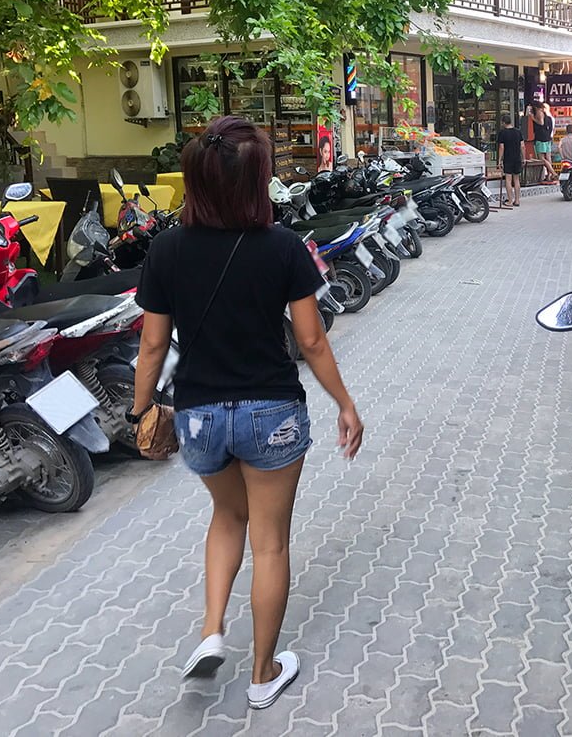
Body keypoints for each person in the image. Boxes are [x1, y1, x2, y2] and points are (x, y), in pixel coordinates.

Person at [130, 116, 365, 711]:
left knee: (226, 517)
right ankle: (262, 676)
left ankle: (212, 630)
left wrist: (140, 413)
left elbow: (153, 347)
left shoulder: (166, 250)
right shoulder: (283, 246)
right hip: (272, 413)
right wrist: (344, 402)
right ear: (257, 181)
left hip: (200, 416)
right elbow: (311, 342)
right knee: (272, 542)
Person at [496, 113, 523, 207]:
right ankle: (517, 200)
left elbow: (501, 147)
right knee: (516, 179)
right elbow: (522, 146)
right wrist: (523, 158)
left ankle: (510, 201)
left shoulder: (502, 133)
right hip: (517, 158)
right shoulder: (518, 132)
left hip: (508, 158)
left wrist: (499, 160)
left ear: (503, 123)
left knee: (508, 179)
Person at [529, 101, 557, 181]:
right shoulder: (548, 116)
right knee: (548, 157)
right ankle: (549, 176)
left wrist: (533, 118)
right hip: (548, 138)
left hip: (541, 138)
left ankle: (553, 173)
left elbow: (541, 123)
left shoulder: (539, 113)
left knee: (542, 159)